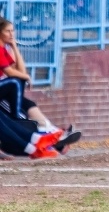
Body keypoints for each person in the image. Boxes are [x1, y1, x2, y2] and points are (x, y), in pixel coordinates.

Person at [0, 17, 81, 152]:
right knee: (20, 114)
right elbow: (11, 73)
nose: (12, 34)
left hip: (8, 89)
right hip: (4, 91)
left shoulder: (5, 49)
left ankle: (53, 133)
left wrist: (15, 47)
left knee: (29, 104)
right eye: (8, 31)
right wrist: (25, 77)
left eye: (13, 31)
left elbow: (20, 71)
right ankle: (53, 137)